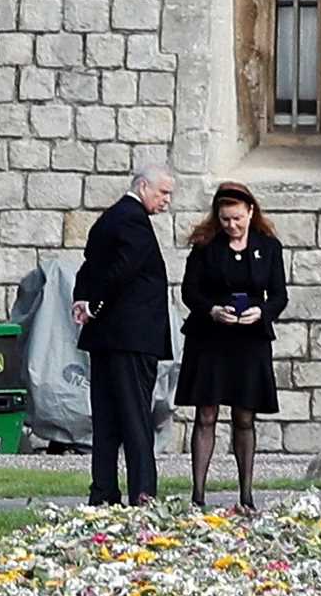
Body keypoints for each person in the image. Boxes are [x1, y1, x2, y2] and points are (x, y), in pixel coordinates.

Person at [176, 181, 287, 512]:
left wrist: (262, 311)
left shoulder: (269, 247)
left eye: (237, 219)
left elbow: (280, 295)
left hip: (250, 340)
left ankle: (247, 495)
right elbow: (189, 291)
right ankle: (198, 495)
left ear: (251, 212)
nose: (232, 225)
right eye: (225, 219)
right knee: (206, 413)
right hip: (210, 338)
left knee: (244, 415)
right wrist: (212, 310)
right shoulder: (205, 246)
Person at [72, 164, 175, 505]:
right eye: (163, 192)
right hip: (131, 338)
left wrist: (82, 300)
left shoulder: (109, 218)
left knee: (106, 418)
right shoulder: (133, 220)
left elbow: (90, 265)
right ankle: (143, 493)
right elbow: (123, 270)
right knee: (134, 418)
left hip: (105, 338)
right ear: (143, 186)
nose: (167, 200)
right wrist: (95, 304)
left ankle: (103, 491)